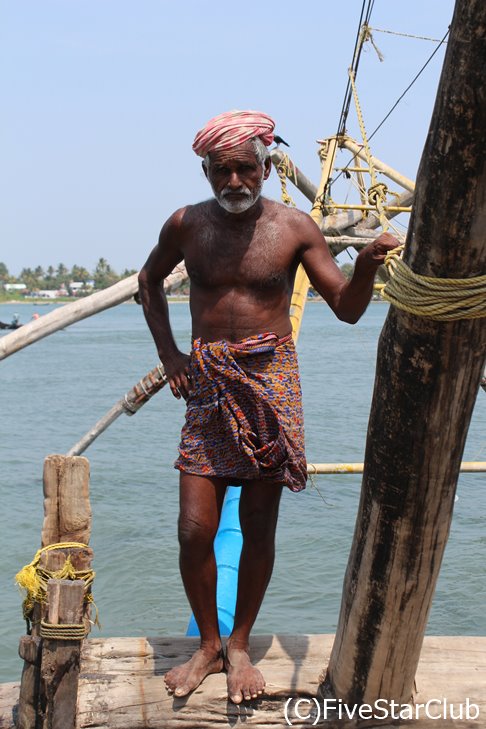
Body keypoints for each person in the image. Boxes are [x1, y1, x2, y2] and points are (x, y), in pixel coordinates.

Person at [138, 109, 398, 704]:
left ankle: (240, 645)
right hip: (206, 383)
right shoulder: (186, 225)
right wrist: (171, 354)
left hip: (270, 383)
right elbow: (148, 282)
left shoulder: (294, 228)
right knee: (193, 529)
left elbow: (348, 308)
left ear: (264, 167)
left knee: (258, 526)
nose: (235, 182)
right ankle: (208, 642)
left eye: (245, 169)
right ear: (206, 171)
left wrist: (365, 269)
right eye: (222, 171)